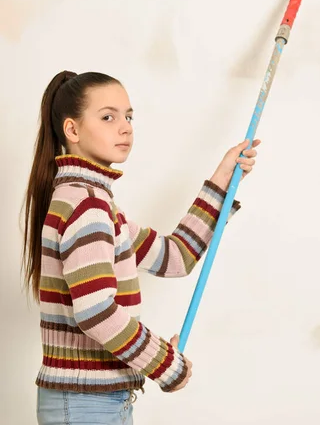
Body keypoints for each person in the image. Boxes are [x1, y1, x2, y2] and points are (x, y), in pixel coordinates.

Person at [22, 70, 260, 424]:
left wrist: (222, 180)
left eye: (128, 116)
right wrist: (166, 364)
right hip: (86, 406)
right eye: (108, 117)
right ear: (72, 130)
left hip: (93, 402)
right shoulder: (87, 205)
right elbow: (96, 311)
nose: (125, 127)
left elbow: (175, 256)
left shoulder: (94, 203)